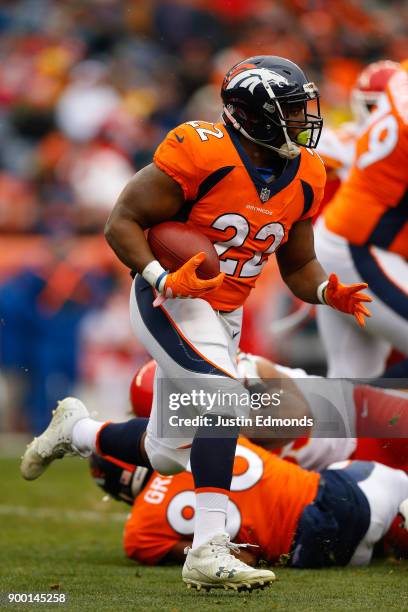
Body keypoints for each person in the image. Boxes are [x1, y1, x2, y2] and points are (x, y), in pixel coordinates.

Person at [21, 55, 371, 592]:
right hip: (170, 297)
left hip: (224, 311)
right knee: (223, 395)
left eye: (304, 108)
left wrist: (329, 290)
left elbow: (298, 265)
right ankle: (208, 549)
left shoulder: (307, 172)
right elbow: (122, 223)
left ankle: (77, 430)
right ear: (251, 115)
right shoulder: (202, 150)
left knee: (167, 452)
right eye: (292, 110)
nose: (304, 120)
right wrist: (164, 278)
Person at [89, 437, 408, 571]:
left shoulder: (140, 531)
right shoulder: (200, 435)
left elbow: (241, 557)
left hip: (321, 550)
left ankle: (387, 537)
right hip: (351, 492)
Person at [314, 66, 408, 377]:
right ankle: (257, 375)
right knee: (351, 375)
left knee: (350, 378)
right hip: (359, 247)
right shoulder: (345, 142)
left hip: (358, 246)